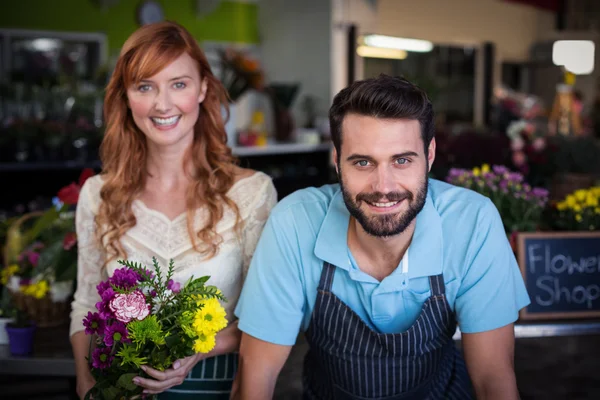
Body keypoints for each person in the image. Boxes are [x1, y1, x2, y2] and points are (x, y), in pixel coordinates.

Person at [232, 75, 530, 399]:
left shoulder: (472, 222)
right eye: (363, 162)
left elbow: (493, 377)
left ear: (429, 155)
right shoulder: (295, 222)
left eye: (402, 160)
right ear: (337, 160)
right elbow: (255, 378)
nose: (383, 186)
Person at [69, 21, 277, 399]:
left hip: (215, 386)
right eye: (145, 86)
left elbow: (264, 319)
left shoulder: (251, 193)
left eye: (178, 84)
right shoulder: (98, 194)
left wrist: (196, 351)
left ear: (202, 89)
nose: (162, 104)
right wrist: (86, 384)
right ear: (126, 97)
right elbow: (85, 302)